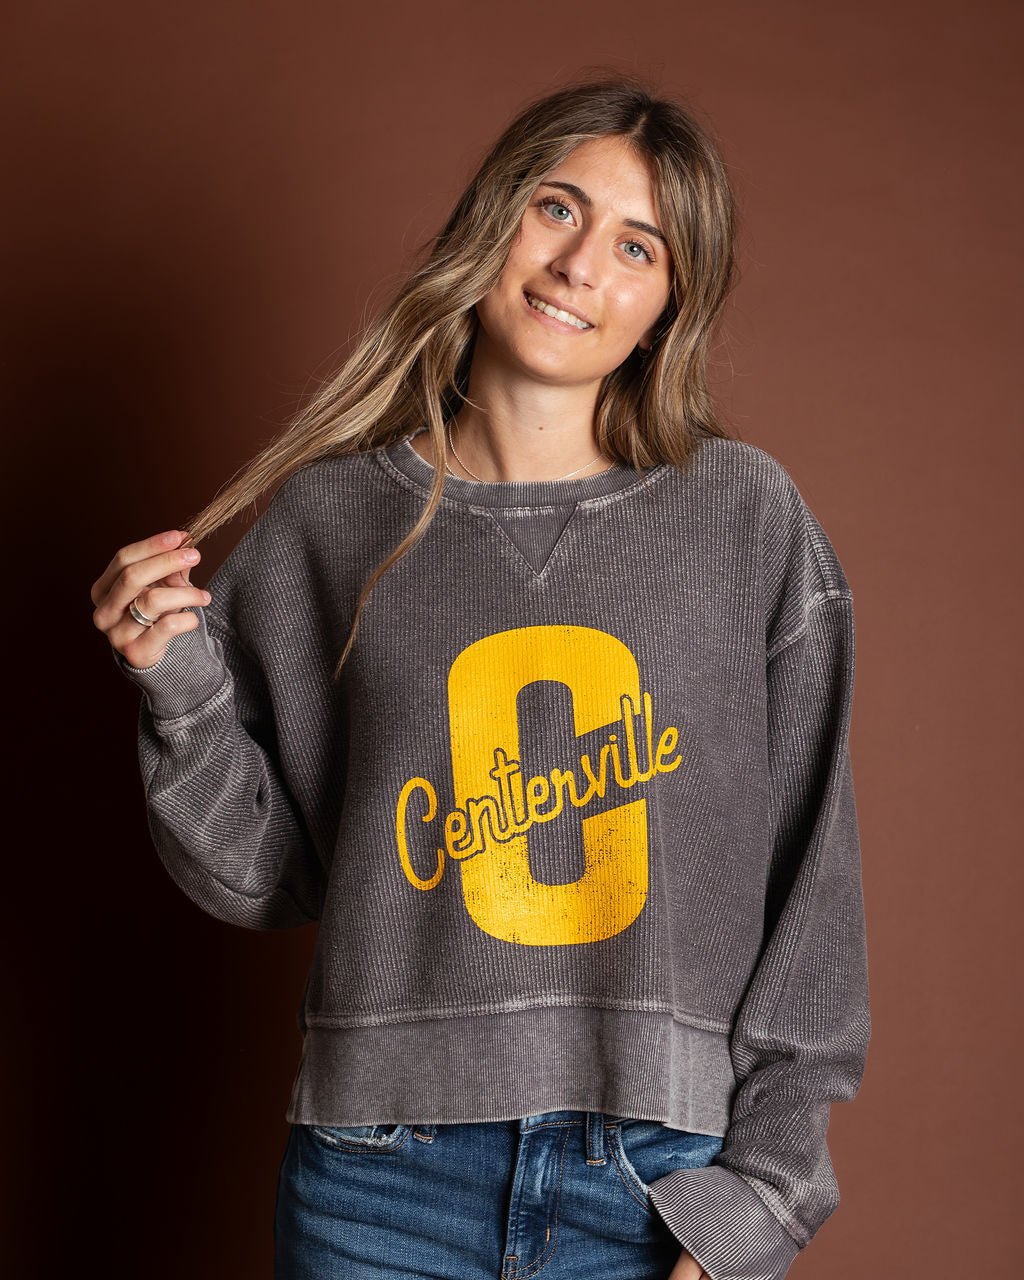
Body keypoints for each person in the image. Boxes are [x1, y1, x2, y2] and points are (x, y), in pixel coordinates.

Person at [91, 77, 870, 1280]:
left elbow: (812, 879)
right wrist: (176, 680)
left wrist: (762, 1194)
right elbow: (263, 874)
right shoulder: (331, 520)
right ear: (493, 219)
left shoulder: (742, 517)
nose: (578, 266)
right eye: (556, 208)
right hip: (375, 1186)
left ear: (667, 306)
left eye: (637, 246)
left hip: (653, 1183)